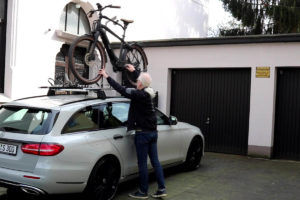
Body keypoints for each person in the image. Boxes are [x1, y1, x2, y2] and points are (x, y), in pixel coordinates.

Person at [99, 65, 167, 199]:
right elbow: (143, 81)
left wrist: (107, 76)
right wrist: (134, 72)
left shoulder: (138, 95)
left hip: (143, 134)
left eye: (137, 81)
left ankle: (143, 192)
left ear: (140, 84)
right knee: (155, 162)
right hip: (153, 133)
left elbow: (121, 89)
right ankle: (161, 188)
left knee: (142, 164)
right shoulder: (149, 91)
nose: (136, 83)